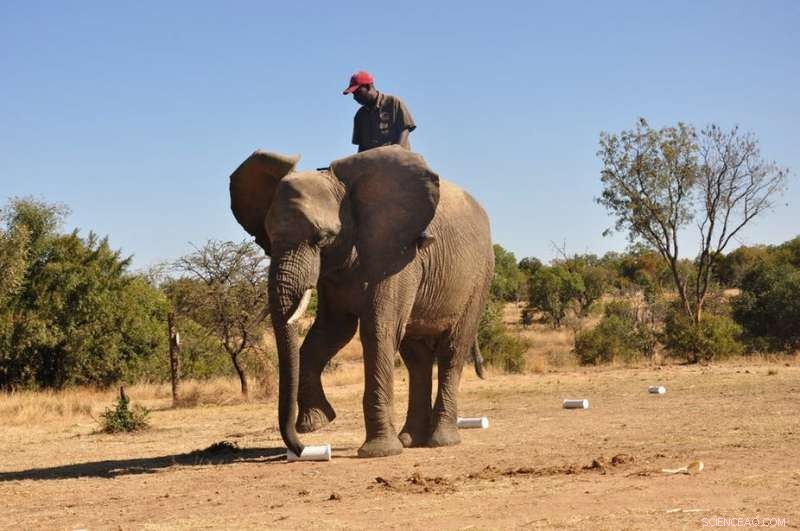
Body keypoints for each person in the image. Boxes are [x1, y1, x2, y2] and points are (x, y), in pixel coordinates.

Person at [342, 70, 434, 249]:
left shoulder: (394, 103)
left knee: (414, 185)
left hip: (398, 162)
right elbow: (360, 148)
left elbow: (404, 131)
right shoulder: (359, 116)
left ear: (368, 87)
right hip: (372, 167)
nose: (354, 98)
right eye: (352, 94)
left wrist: (395, 156)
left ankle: (422, 229)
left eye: (357, 92)